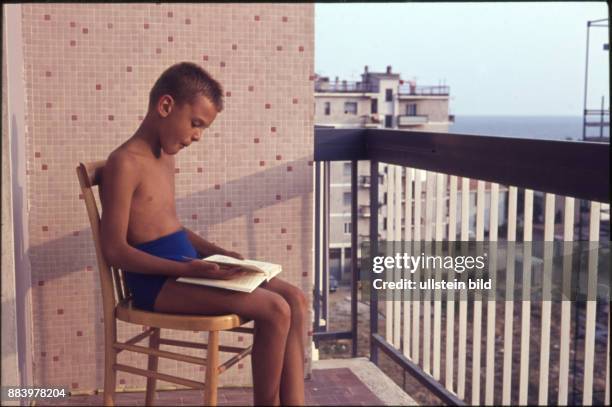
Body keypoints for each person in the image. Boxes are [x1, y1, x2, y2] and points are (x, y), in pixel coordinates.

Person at [100, 62, 307, 406]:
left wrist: (217, 252)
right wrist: (186, 269)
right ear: (165, 106)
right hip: (158, 285)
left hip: (189, 270)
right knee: (275, 310)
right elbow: (115, 251)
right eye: (195, 124)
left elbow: (171, 227)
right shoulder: (124, 163)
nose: (197, 136)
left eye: (203, 129)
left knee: (295, 300)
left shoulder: (164, 157)